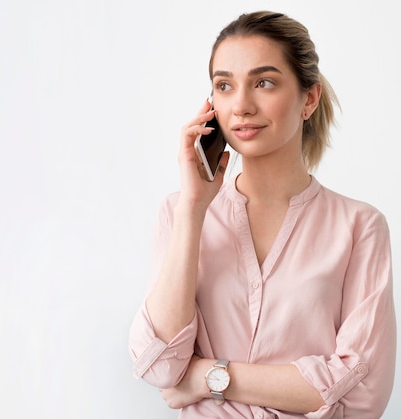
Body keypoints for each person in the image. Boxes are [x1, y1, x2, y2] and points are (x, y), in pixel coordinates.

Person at [128, 10, 396, 418]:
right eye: (224, 86)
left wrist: (208, 377)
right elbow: (160, 365)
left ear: (309, 98)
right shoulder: (180, 213)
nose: (241, 105)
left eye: (264, 82)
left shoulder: (360, 227)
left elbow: (362, 398)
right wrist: (194, 207)